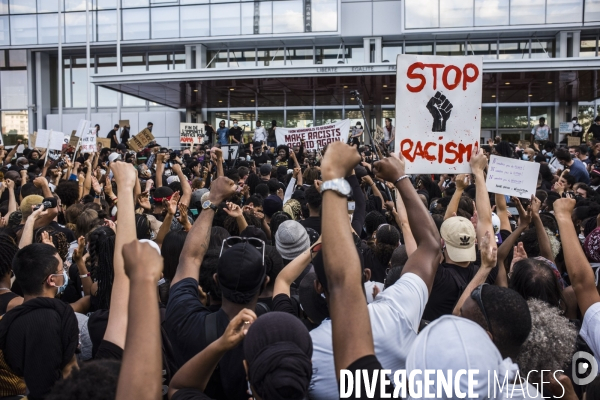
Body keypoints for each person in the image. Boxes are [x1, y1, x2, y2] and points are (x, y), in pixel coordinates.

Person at [0, 243, 79, 400]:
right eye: (60, 270)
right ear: (51, 280)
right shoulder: (55, 319)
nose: (63, 273)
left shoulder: (8, 321)